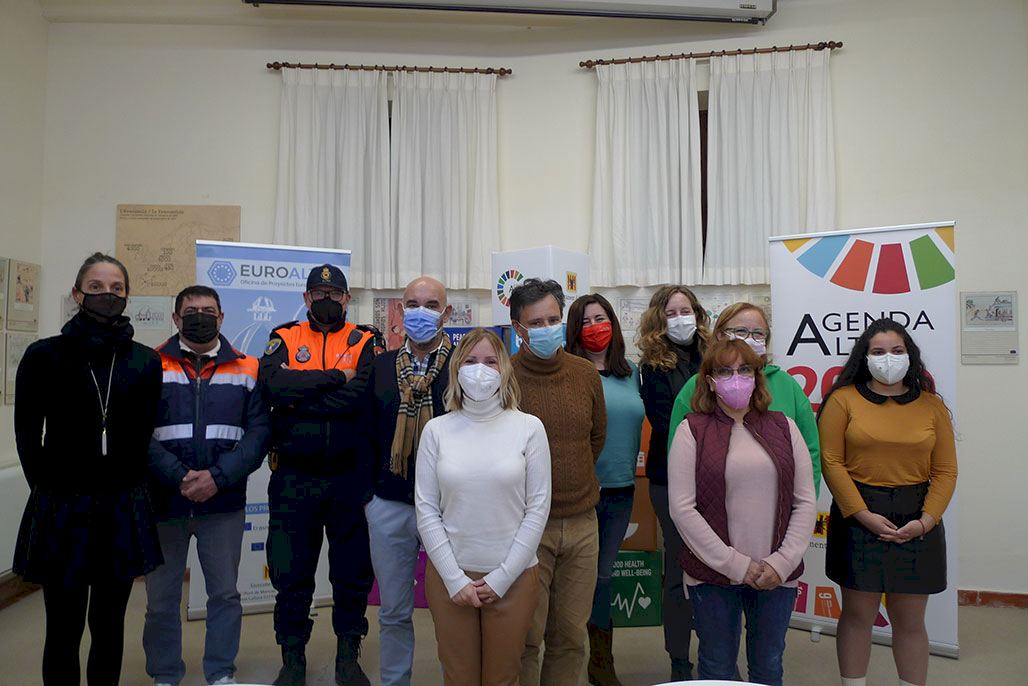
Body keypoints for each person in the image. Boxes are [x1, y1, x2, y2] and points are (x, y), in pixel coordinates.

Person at [13, 252, 164, 686]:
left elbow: (144, 435)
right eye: (96, 287)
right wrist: (50, 491)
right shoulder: (43, 355)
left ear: (127, 296)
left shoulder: (145, 361)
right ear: (78, 294)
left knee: (109, 627)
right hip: (63, 507)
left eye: (116, 288)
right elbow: (28, 437)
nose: (106, 295)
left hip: (121, 507)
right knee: (63, 628)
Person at [668, 338, 816, 686]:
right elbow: (682, 508)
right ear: (709, 381)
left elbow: (805, 500)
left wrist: (781, 563)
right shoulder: (692, 430)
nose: (736, 378)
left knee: (768, 667)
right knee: (717, 668)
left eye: (744, 370)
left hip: (776, 575)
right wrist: (738, 565)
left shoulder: (784, 427)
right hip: (712, 577)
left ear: (756, 376)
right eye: (725, 371)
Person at [818, 319, 957, 686]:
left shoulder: (932, 406)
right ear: (864, 358)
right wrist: (862, 515)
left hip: (918, 517)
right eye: (878, 352)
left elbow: (945, 470)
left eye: (897, 351)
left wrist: (926, 521)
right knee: (857, 615)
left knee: (910, 622)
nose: (888, 359)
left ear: (910, 355)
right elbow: (831, 462)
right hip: (858, 515)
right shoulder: (843, 400)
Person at [144, 285, 271, 686]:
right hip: (165, 501)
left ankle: (220, 672)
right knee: (161, 599)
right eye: (191, 311)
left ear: (221, 317)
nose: (200, 317)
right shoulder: (150, 363)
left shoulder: (248, 367)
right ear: (176, 318)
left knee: (224, 595)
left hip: (223, 503)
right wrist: (179, 476)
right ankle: (165, 674)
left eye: (208, 310)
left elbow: (258, 434)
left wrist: (217, 477)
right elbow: (137, 433)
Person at [260, 264, 376, 686]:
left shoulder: (364, 339)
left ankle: (348, 654)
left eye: (335, 293)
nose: (327, 299)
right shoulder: (284, 337)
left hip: (349, 479)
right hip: (295, 479)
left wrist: (302, 399)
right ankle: (293, 658)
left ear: (347, 298)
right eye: (319, 293)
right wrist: (335, 379)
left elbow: (360, 395)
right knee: (291, 574)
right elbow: (274, 386)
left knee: (351, 573)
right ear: (306, 298)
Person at [415, 328, 552, 686]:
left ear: (505, 369)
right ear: (456, 369)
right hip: (450, 577)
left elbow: (538, 508)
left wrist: (502, 577)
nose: (480, 370)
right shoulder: (436, 430)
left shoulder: (529, 428)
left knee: (503, 677)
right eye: (471, 361)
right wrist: (454, 578)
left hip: (514, 577)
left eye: (490, 361)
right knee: (458, 676)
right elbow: (426, 510)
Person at [509, 278, 607, 686]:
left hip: (583, 523)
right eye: (536, 323)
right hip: (526, 527)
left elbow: (595, 437)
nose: (547, 328)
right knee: (525, 638)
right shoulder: (505, 379)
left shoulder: (585, 374)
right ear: (518, 328)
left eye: (553, 319)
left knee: (570, 637)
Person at [365, 276, 454, 686]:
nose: (422, 312)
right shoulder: (381, 366)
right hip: (390, 504)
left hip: (448, 509)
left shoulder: (463, 368)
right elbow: (364, 433)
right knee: (394, 611)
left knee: (453, 609)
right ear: (400, 310)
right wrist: (369, 497)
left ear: (446, 313)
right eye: (413, 304)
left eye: (432, 305)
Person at [565, 294, 644, 686]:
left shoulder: (631, 372)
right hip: (578, 492)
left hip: (621, 490)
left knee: (602, 577)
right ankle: (571, 655)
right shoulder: (568, 372)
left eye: (601, 318)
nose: (595, 326)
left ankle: (600, 659)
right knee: (577, 578)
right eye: (585, 321)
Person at [668, 302, 822, 496]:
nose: (750, 339)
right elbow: (678, 458)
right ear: (720, 335)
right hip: (711, 503)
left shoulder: (787, 385)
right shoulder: (696, 386)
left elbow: (810, 450)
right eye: (740, 331)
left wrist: (805, 501)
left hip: (782, 503)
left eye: (758, 333)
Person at [636, 284, 709, 680]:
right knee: (680, 569)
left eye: (686, 311)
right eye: (671, 312)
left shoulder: (717, 355)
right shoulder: (653, 365)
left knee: (717, 568)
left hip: (720, 479)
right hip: (672, 479)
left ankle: (716, 651)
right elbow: (666, 424)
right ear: (659, 320)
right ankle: (679, 659)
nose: (681, 319)